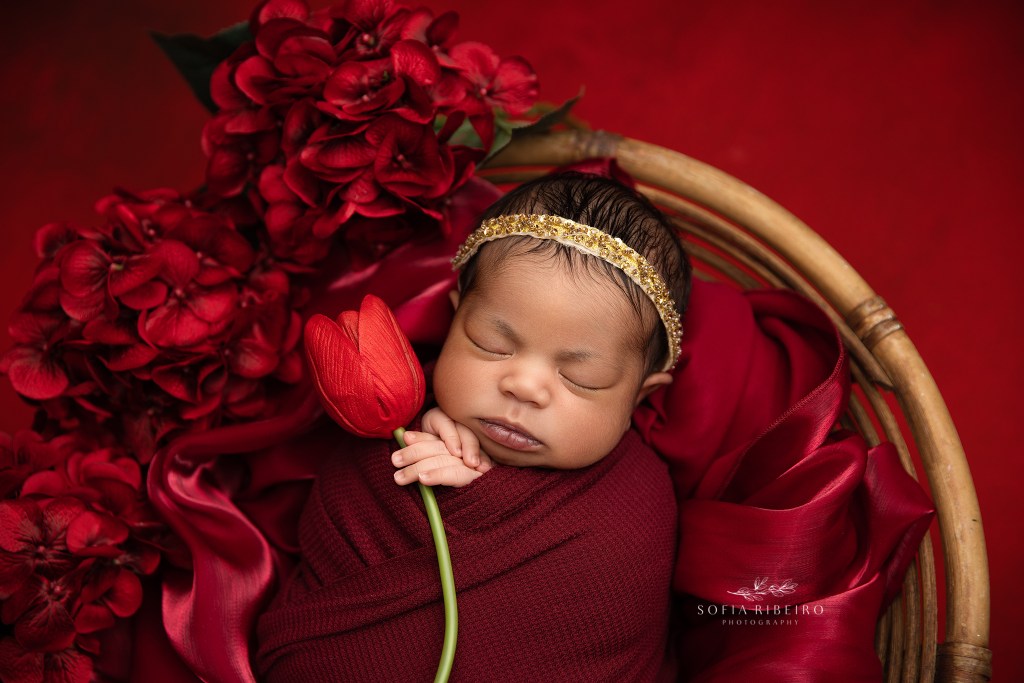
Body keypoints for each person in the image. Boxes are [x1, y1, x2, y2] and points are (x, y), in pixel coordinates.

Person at [256, 172, 693, 681]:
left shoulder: (633, 502)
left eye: (581, 377)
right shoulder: (397, 424)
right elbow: (339, 521)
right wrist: (428, 479)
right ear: (454, 318)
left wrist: (488, 494)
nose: (524, 386)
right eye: (491, 343)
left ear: (639, 396)